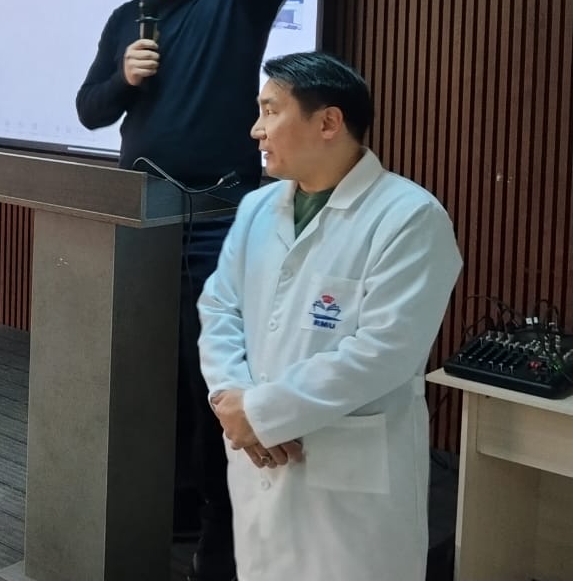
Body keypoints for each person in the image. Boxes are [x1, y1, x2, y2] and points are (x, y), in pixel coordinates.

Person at [75, 0, 299, 581]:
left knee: (213, 377)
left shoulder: (237, 2)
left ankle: (217, 532)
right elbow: (90, 111)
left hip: (217, 221)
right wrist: (124, 79)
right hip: (139, 221)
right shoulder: (127, 18)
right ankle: (160, 506)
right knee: (145, 373)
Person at [198, 52, 462, 581]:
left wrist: (263, 413)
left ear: (328, 122)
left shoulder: (409, 217)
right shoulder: (258, 208)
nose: (256, 130)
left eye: (271, 111)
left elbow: (384, 352)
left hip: (349, 479)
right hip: (259, 460)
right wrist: (233, 399)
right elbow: (220, 307)